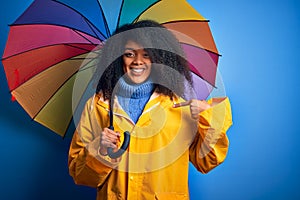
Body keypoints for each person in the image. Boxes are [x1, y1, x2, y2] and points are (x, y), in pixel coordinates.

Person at [68, 20, 232, 200]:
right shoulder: (98, 106)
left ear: (160, 59)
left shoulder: (179, 106)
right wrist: (100, 150)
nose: (138, 61)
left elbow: (207, 161)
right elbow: (80, 175)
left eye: (147, 54)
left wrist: (206, 117)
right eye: (129, 54)